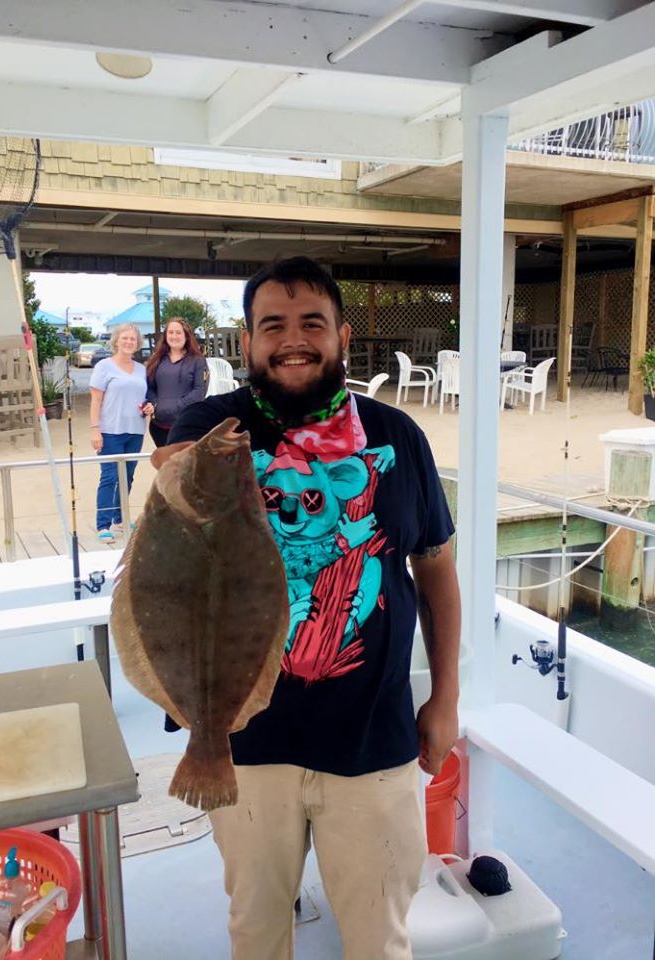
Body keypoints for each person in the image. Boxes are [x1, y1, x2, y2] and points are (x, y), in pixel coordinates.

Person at [154, 257, 461, 960]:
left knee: (380, 939)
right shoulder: (216, 424)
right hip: (245, 743)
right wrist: (192, 466)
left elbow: (436, 571)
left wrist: (444, 698)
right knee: (257, 933)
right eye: (273, 326)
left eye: (311, 323)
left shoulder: (398, 436)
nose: (293, 340)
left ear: (342, 336)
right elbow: (173, 462)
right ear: (247, 341)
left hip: (374, 740)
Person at [89, 323, 148, 542]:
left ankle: (120, 518)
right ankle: (103, 525)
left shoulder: (142, 369)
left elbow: (145, 397)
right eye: (125, 338)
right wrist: (95, 430)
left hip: (135, 430)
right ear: (116, 341)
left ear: (137, 343)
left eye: (132, 339)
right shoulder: (104, 366)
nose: (129, 342)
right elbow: (96, 400)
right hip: (110, 430)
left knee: (127, 476)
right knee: (110, 476)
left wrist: (149, 407)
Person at [142, 317, 208, 447]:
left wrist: (175, 407)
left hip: (186, 427)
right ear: (165, 336)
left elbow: (199, 392)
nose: (174, 336)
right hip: (159, 428)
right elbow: (149, 388)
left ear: (186, 336)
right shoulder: (156, 360)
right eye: (170, 332)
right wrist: (155, 404)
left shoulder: (198, 361)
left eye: (178, 332)